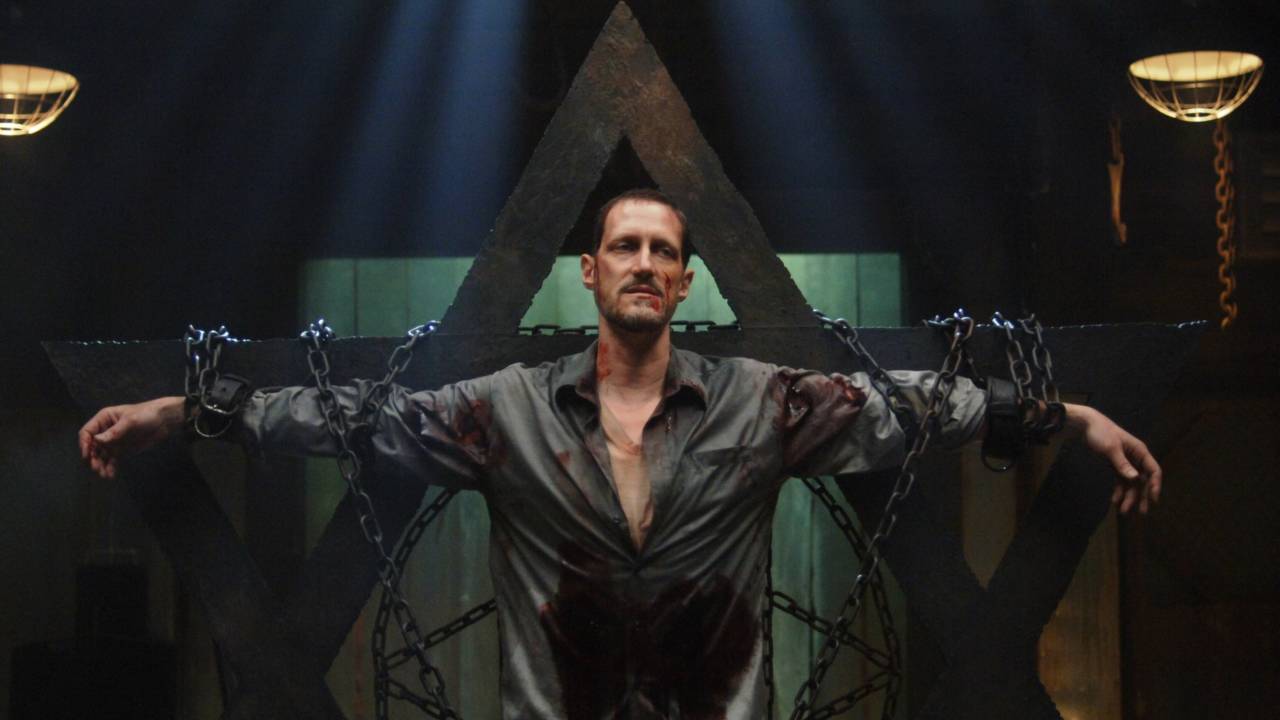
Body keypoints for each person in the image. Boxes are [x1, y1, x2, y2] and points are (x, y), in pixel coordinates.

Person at [79, 188, 1161, 719]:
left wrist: (1066, 418)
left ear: (684, 283)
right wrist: (188, 410)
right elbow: (354, 418)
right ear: (590, 272)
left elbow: (917, 408)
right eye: (624, 246)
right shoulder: (504, 412)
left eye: (662, 251)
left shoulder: (762, 405)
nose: (643, 262)